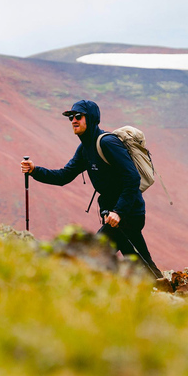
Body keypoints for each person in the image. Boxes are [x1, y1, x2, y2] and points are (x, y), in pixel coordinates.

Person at [20, 99, 162, 278]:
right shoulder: (84, 149)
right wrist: (34, 170)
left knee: (93, 254)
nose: (73, 120)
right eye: (71, 117)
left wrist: (118, 211)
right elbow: (63, 176)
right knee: (139, 261)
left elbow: (132, 177)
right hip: (114, 216)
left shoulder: (107, 143)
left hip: (128, 215)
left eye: (78, 116)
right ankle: (164, 287)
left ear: (92, 118)